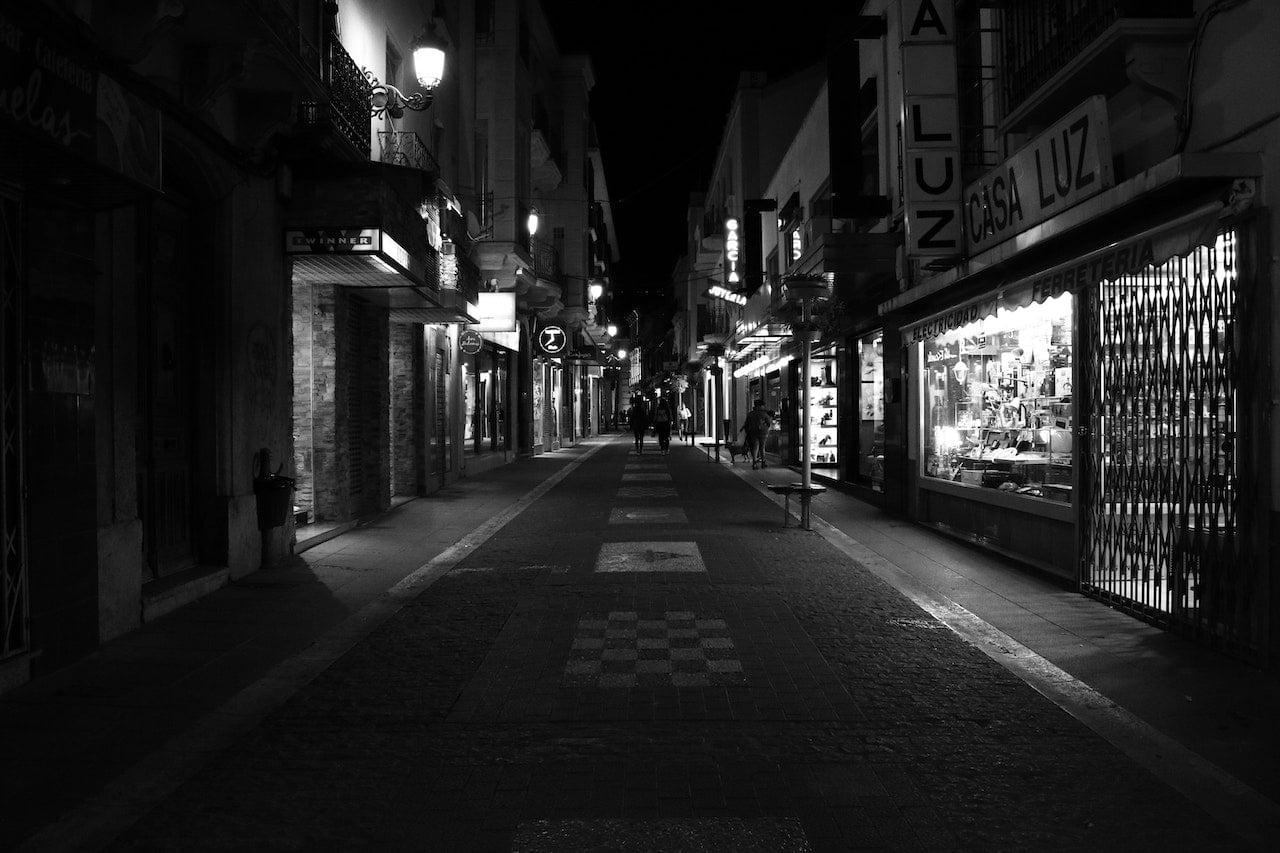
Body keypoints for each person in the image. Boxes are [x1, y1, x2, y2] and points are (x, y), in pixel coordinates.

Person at [740, 398, 773, 469]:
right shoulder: (764, 414)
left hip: (753, 432)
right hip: (763, 432)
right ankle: (763, 462)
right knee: (762, 447)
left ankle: (754, 463)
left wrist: (747, 431)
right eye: (763, 405)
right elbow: (768, 423)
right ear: (761, 406)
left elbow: (747, 423)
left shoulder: (751, 414)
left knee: (755, 447)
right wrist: (766, 427)